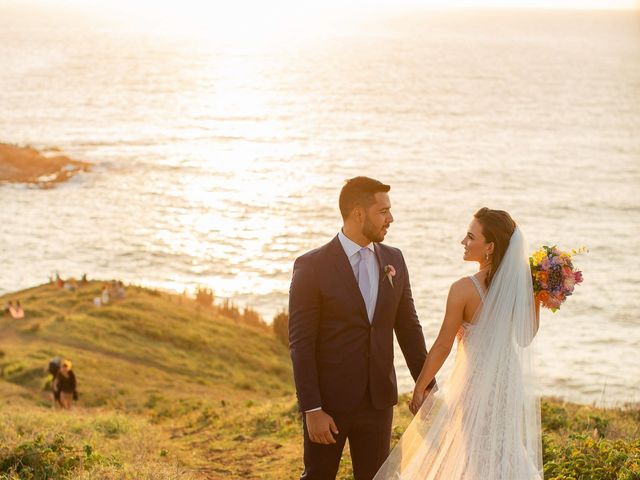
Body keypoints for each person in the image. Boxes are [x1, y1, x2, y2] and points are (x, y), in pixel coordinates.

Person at [374, 208, 542, 480]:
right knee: (504, 448)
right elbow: (525, 339)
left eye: (470, 236)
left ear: (489, 247)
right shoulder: (520, 287)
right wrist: (538, 297)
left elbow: (442, 345)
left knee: (473, 449)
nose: (463, 242)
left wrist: (421, 387)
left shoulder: (463, 289)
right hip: (508, 379)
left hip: (475, 381)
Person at [288, 176, 436, 480]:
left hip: (377, 401)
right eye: (383, 212)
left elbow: (408, 328)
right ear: (358, 213)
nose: (390, 219)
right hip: (329, 403)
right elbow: (301, 343)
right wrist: (312, 409)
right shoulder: (311, 266)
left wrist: (427, 386)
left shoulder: (394, 259)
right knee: (318, 476)